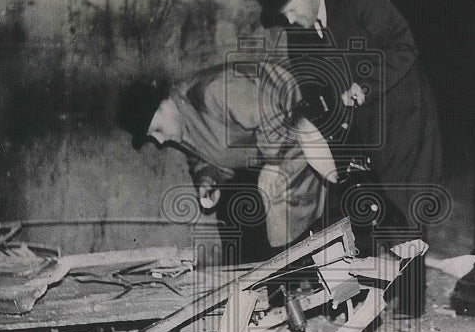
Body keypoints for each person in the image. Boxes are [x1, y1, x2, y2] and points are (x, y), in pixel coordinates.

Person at [256, 0, 442, 314]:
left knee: (406, 195)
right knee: (364, 198)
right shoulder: (300, 38)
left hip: (403, 108)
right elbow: (315, 94)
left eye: (292, 11)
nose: (291, 21)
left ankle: (412, 299)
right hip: (360, 125)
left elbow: (404, 46)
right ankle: (366, 297)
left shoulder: (359, 0)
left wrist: (365, 86)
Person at [115, 60, 326, 254]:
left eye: (157, 130)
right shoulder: (181, 123)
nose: (160, 142)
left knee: (276, 202)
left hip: (301, 131)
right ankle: (268, 283)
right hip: (265, 157)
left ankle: (307, 272)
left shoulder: (212, 91)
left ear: (165, 104)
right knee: (233, 211)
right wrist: (207, 180)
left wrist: (273, 164)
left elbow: (272, 111)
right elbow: (201, 157)